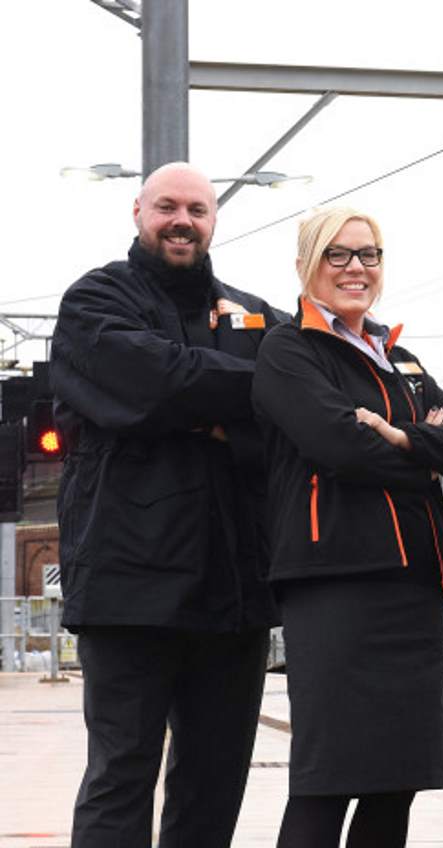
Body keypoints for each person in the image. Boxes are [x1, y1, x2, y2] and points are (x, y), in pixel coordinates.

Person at [51, 162, 284, 848]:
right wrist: (239, 399)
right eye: (167, 207)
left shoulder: (254, 313)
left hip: (234, 590)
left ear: (215, 220)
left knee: (215, 781)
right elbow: (156, 381)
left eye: (198, 209)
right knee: (122, 774)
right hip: (128, 589)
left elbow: (291, 405)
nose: (183, 220)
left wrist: (205, 412)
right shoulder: (94, 302)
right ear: (137, 212)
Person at [250, 207, 443, 848]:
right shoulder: (289, 350)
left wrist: (401, 435)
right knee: (328, 778)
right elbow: (339, 447)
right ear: (306, 266)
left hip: (413, 585)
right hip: (335, 585)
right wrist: (423, 454)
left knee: (395, 781)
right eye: (338, 255)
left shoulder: (399, 356)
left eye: (368, 254)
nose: (355, 268)